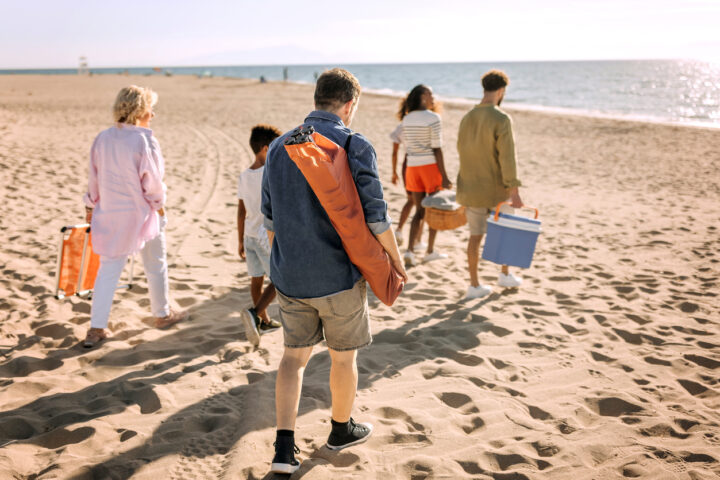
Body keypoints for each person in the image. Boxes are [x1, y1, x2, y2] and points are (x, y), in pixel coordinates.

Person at [261, 68, 407, 474]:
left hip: (290, 276)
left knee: (293, 359)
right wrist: (396, 261)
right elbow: (376, 218)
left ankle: (283, 450)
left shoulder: (277, 147)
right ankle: (340, 430)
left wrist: (287, 265)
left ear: (316, 99)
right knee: (343, 359)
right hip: (339, 277)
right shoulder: (352, 142)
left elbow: (269, 221)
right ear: (349, 104)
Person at [82, 85, 187, 347]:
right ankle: (162, 314)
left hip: (110, 214)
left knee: (108, 270)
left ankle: (96, 328)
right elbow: (152, 181)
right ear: (140, 110)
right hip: (141, 214)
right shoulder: (144, 139)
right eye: (151, 108)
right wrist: (159, 204)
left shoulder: (103, 138)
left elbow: (93, 178)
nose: (153, 114)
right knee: (155, 263)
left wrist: (90, 204)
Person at [456, 70, 524, 300]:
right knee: (505, 232)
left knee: (475, 237)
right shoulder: (501, 118)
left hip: (471, 187)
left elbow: (461, 151)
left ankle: (474, 285)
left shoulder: (467, 118)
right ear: (502, 90)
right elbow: (507, 158)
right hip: (496, 189)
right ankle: (505, 274)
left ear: (484, 88)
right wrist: (514, 190)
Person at [238, 124, 283, 346]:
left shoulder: (245, 175)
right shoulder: (270, 173)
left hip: (249, 235)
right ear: (265, 149)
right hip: (265, 236)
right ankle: (255, 313)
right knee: (279, 279)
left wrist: (239, 240)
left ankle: (264, 321)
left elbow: (241, 210)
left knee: (256, 279)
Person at [399, 85, 452, 266]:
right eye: (430, 94)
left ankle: (410, 251)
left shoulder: (406, 119)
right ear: (422, 97)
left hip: (413, 168)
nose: (433, 97)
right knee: (434, 209)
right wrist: (444, 176)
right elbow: (437, 148)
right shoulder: (433, 118)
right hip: (429, 167)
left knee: (419, 211)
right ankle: (429, 251)